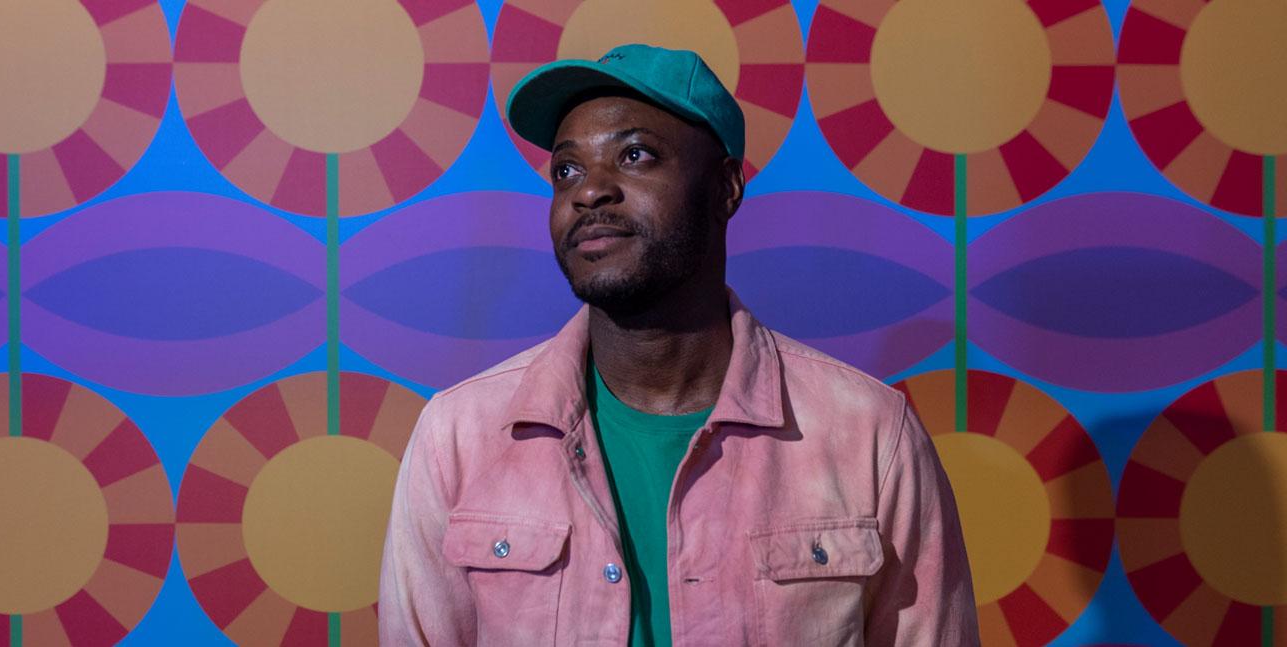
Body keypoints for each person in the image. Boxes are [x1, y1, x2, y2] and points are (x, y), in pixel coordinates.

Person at [378, 43, 977, 646]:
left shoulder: (870, 433)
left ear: (725, 189)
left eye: (634, 155)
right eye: (567, 170)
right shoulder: (459, 436)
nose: (589, 193)